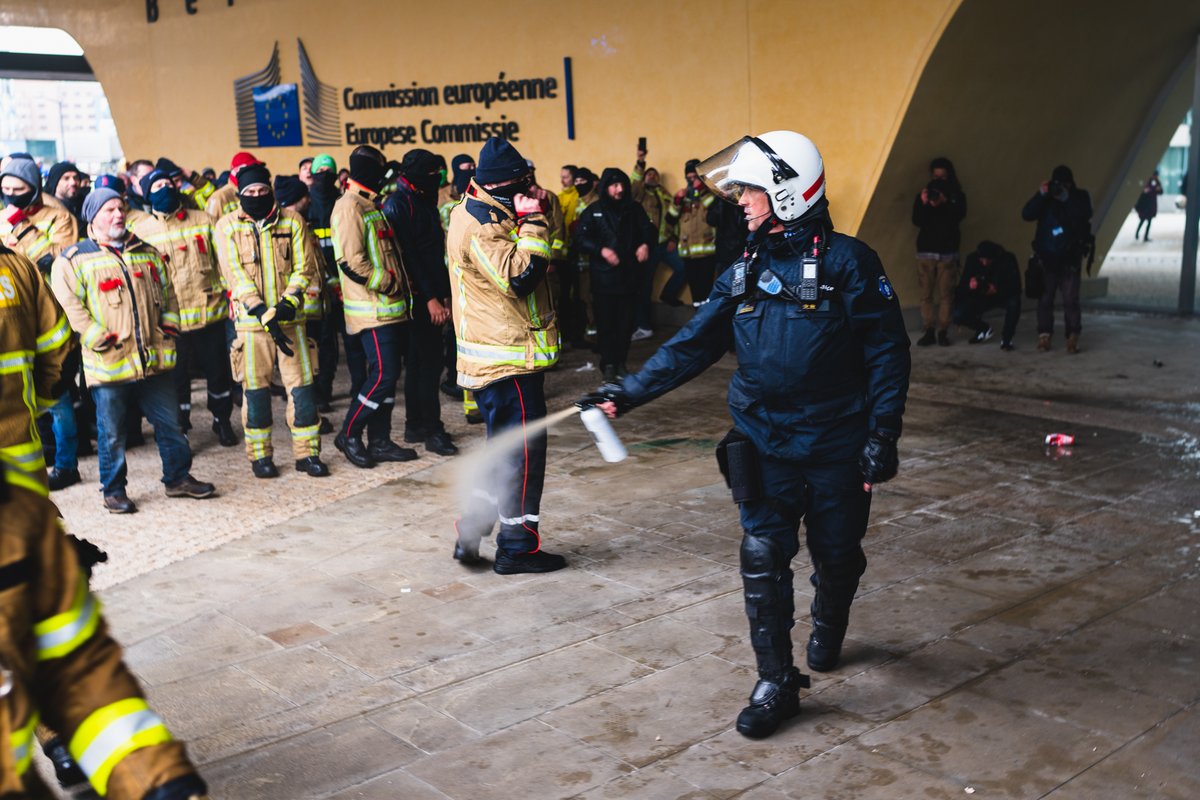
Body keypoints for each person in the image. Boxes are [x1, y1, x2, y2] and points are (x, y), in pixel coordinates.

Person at [580, 131, 910, 739]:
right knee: (761, 555)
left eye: (752, 189)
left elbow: (889, 352)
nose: (741, 200)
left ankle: (830, 621)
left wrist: (882, 433)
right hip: (764, 443)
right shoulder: (743, 270)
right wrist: (624, 393)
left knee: (837, 557)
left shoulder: (849, 263)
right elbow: (692, 345)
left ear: (789, 191)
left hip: (837, 446)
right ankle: (775, 682)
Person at [50, 189, 216, 512]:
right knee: (112, 433)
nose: (118, 214)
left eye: (121, 207)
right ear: (92, 217)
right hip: (109, 363)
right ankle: (113, 491)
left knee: (171, 424)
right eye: (109, 209)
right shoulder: (73, 260)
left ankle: (178, 478)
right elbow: (70, 305)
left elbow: (168, 295)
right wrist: (95, 335)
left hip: (152, 360)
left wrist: (169, 326)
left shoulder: (147, 252)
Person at [446, 137, 565, 575]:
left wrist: (536, 210)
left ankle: (471, 530)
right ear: (500, 185)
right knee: (523, 458)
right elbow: (520, 278)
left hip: (503, 358)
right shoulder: (480, 222)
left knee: (503, 453)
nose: (530, 190)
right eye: (523, 184)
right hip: (506, 361)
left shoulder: (489, 208)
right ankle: (518, 546)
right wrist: (533, 222)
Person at [214, 164, 329, 479]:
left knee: (303, 389)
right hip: (251, 328)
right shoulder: (226, 226)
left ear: (271, 191)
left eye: (262, 191)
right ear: (240, 194)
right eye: (249, 193)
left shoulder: (293, 221)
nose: (256, 196)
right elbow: (233, 273)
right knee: (256, 393)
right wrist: (262, 310)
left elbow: (305, 266)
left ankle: (308, 455)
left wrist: (289, 301)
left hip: (292, 322)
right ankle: (260, 457)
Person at [130, 168, 238, 446]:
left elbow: (223, 261)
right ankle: (182, 427)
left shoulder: (203, 220)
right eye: (157, 186)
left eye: (168, 183)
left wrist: (232, 295)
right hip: (169, 321)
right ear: (146, 193)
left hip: (209, 313)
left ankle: (222, 420)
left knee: (218, 374)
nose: (165, 188)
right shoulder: (141, 231)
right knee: (176, 380)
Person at [331, 145, 417, 467]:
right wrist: (391, 284)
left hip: (390, 309)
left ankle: (379, 441)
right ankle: (349, 434)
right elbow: (351, 263)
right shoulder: (348, 206)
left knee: (388, 377)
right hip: (372, 310)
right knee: (383, 374)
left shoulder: (370, 204)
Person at [382, 148, 458, 456]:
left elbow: (433, 253)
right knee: (428, 365)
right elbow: (410, 258)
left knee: (418, 363)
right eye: (431, 175)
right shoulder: (399, 204)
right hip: (418, 299)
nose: (437, 181)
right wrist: (430, 299)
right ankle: (432, 429)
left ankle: (415, 424)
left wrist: (446, 294)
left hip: (432, 292)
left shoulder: (421, 199)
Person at [575, 167, 656, 381]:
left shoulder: (634, 209)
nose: (619, 190)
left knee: (625, 324)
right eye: (614, 185)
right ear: (605, 187)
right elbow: (580, 239)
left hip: (629, 277)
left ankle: (621, 362)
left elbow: (648, 230)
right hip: (604, 279)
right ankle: (608, 364)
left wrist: (645, 244)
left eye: (622, 185)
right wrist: (601, 250)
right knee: (606, 324)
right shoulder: (594, 211)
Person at [1022, 165, 1093, 354]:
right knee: (1045, 300)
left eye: (1063, 184)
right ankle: (1044, 335)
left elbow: (1084, 214)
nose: (1059, 188)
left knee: (1070, 300)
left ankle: (1073, 336)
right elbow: (1026, 214)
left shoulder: (1080, 196)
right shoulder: (1046, 199)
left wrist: (1066, 198)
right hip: (1047, 258)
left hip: (1070, 259)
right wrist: (1041, 194)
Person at [911, 156, 967, 347]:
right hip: (926, 252)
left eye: (942, 177)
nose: (938, 181)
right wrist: (924, 202)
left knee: (946, 294)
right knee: (926, 294)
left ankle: (943, 330)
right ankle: (928, 330)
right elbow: (917, 220)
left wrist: (946, 203)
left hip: (947, 253)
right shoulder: (926, 194)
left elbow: (959, 216)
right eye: (935, 176)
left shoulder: (956, 195)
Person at [631, 149, 685, 327]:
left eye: (654, 174)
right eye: (649, 174)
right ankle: (643, 325)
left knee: (684, 267)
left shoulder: (664, 194)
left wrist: (674, 238)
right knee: (644, 286)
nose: (652, 176)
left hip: (665, 244)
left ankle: (668, 295)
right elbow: (635, 183)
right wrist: (641, 163)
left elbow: (674, 217)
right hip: (648, 245)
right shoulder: (639, 194)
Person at [952, 240, 1022, 350]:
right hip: (980, 295)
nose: (984, 263)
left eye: (987, 260)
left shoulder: (1007, 259)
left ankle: (1007, 338)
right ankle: (982, 329)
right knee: (958, 314)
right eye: (982, 260)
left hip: (1003, 294)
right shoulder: (972, 260)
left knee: (1014, 303)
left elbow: (1016, 285)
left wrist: (997, 289)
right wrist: (970, 285)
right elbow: (962, 286)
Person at [667, 159, 718, 306]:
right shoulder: (683, 196)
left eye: (694, 177)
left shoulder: (710, 193)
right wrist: (677, 201)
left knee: (706, 291)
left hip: (707, 252)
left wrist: (701, 191)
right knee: (695, 293)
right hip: (688, 253)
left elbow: (714, 210)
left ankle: (707, 322)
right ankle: (698, 318)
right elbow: (670, 219)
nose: (691, 181)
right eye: (688, 178)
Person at [1134, 169, 1163, 241]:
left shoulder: (1157, 182)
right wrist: (1154, 189)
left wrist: (1155, 188)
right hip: (1146, 205)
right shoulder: (1148, 181)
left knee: (1148, 221)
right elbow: (1145, 191)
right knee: (1143, 220)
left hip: (1151, 205)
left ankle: (1145, 236)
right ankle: (1137, 234)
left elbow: (1161, 191)